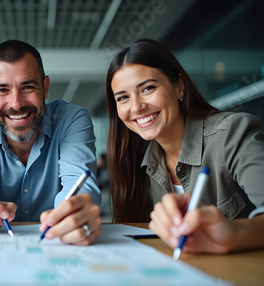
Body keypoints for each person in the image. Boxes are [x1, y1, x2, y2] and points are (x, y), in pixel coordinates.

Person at [106, 38, 264, 253]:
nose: (136, 107)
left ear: (179, 86)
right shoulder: (136, 161)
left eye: (147, 88)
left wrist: (233, 234)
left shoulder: (232, 134)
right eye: (123, 97)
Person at [0, 40, 101, 246]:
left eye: (28, 87)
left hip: (57, 247)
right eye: (2, 90)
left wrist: (73, 211)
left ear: (45, 88)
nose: (16, 104)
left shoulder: (72, 119)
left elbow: (79, 183)